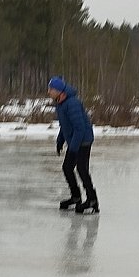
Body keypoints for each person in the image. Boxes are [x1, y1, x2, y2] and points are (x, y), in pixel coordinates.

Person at [49, 75, 98, 213]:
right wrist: (60, 140)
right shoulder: (60, 103)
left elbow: (79, 128)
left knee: (81, 169)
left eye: (51, 89)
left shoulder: (72, 103)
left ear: (59, 91)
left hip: (83, 140)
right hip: (75, 140)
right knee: (67, 168)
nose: (49, 92)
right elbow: (65, 125)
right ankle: (76, 197)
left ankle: (92, 201)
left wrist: (73, 149)